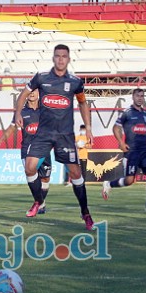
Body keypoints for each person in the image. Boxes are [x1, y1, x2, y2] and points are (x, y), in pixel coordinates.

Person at [13, 44, 95, 229]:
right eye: (57, 56)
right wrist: (18, 113)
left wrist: (88, 126)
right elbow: (23, 94)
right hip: (43, 133)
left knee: (75, 173)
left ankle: (85, 213)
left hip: (64, 134)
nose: (60, 59)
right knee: (30, 167)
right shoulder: (41, 78)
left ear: (68, 59)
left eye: (64, 56)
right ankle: (38, 201)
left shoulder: (75, 82)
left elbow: (83, 103)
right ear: (53, 58)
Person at [101, 88, 146, 212]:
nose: (140, 98)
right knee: (129, 181)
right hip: (131, 151)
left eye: (142, 96)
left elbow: (145, 128)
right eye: (138, 96)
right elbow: (115, 128)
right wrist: (121, 142)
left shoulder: (145, 114)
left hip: (144, 149)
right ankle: (109, 184)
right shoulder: (126, 113)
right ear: (133, 97)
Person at [0, 89, 52, 215]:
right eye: (29, 92)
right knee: (31, 174)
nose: (31, 94)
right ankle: (39, 203)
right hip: (28, 149)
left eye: (34, 91)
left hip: (44, 148)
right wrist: (1, 139)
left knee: (45, 178)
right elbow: (12, 127)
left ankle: (40, 203)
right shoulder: (21, 112)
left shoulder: (46, 111)